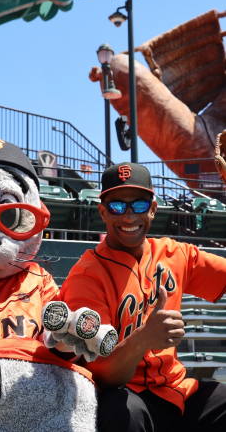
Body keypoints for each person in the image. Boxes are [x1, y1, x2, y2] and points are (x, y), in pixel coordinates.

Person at [59, 162, 226, 432]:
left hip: (177, 389)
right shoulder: (86, 277)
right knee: (121, 411)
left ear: (153, 209)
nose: (128, 217)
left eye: (138, 205)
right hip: (125, 395)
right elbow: (101, 373)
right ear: (103, 211)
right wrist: (143, 339)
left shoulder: (175, 254)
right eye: (116, 206)